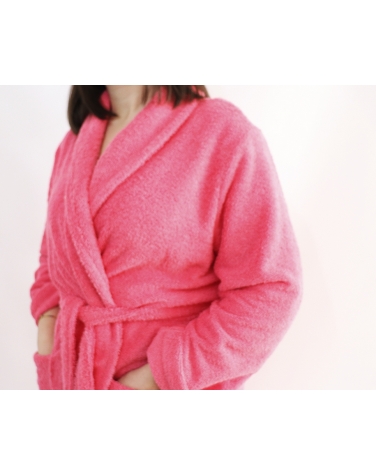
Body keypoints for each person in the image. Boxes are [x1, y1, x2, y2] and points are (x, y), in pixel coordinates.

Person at [30, 85, 302, 390]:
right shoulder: (73, 143)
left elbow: (271, 289)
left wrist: (162, 375)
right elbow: (53, 257)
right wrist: (48, 327)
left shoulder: (222, 132)